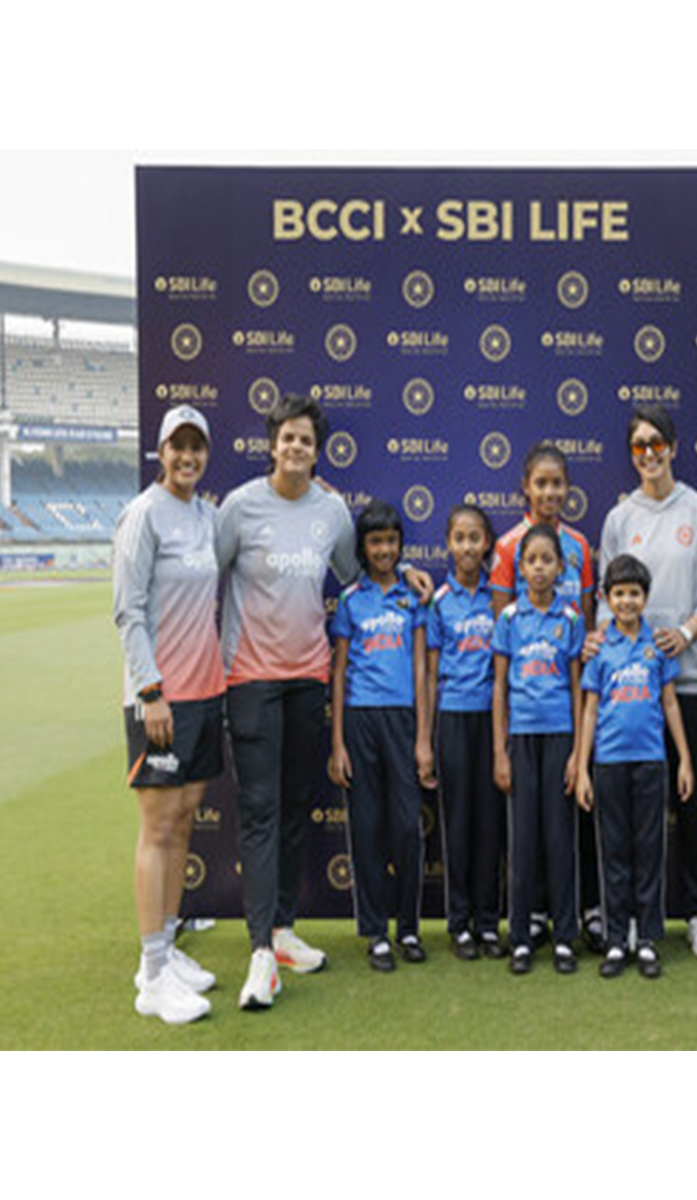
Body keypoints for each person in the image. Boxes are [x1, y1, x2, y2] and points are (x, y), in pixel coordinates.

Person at [216, 392, 432, 1010]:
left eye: (305, 440)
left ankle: (282, 930)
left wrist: (408, 568)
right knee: (258, 809)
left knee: (291, 809)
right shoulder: (239, 508)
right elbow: (211, 575)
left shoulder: (333, 511)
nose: (295, 448)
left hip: (310, 679)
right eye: (286, 438)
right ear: (272, 443)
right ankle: (260, 952)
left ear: (317, 449)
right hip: (251, 680)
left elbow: (359, 573)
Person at [594, 407, 697, 958]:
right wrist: (602, 643)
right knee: (627, 819)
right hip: (629, 697)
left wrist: (690, 631)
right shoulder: (621, 518)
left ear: (673, 446)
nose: (649, 453)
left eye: (657, 443)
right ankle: (626, 921)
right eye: (638, 446)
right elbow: (607, 600)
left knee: (692, 803)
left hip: (686, 683)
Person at [113, 404, 224, 1024]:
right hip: (161, 698)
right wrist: (150, 691)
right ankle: (151, 972)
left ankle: (169, 943)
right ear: (160, 451)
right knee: (157, 826)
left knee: (184, 819)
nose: (187, 456)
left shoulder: (207, 516)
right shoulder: (143, 515)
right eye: (177, 447)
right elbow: (128, 611)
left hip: (205, 692)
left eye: (196, 447)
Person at [490, 442, 602, 950]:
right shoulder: (509, 544)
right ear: (526, 488)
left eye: (559, 483)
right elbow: (503, 629)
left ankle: (570, 921)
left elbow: (585, 627)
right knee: (524, 829)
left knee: (563, 826)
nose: (551, 492)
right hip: (521, 715)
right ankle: (527, 919)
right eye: (542, 483)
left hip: (565, 711)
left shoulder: (579, 545)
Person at [576, 554, 694, 980]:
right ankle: (614, 941)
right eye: (619, 593)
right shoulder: (598, 648)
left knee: (649, 851)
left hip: (651, 763)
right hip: (608, 764)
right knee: (614, 855)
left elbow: (670, 703)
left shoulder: (656, 646)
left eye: (634, 593)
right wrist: (584, 768)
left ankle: (645, 940)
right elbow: (590, 711)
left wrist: (684, 759)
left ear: (645, 598)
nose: (626, 601)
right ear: (606, 598)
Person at [329, 500, 430, 971]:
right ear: (363, 548)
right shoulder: (351, 600)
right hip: (360, 720)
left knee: (407, 828)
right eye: (375, 542)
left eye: (391, 541)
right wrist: (337, 743)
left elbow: (421, 668)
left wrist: (424, 738)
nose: (384, 549)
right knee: (366, 829)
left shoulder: (413, 599)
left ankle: (408, 927)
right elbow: (339, 668)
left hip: (404, 720)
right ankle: (375, 932)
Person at [492, 524, 585, 976]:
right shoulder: (509, 618)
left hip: (561, 738)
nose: (540, 568)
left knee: (559, 840)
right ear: (520, 568)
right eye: (532, 561)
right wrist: (500, 751)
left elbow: (576, 686)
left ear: (561, 568)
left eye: (548, 560)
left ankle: (565, 935)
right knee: (523, 840)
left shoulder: (571, 619)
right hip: (521, 739)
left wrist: (577, 755)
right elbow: (499, 687)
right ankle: (521, 938)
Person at [421, 504, 505, 960]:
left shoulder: (500, 599)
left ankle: (489, 923)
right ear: (449, 544)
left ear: (488, 543)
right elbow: (431, 676)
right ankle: (460, 924)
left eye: (476, 537)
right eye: (460, 538)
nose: (468, 546)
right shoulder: (439, 601)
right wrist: (427, 740)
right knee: (458, 825)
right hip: (453, 718)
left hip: (492, 721)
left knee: (490, 825)